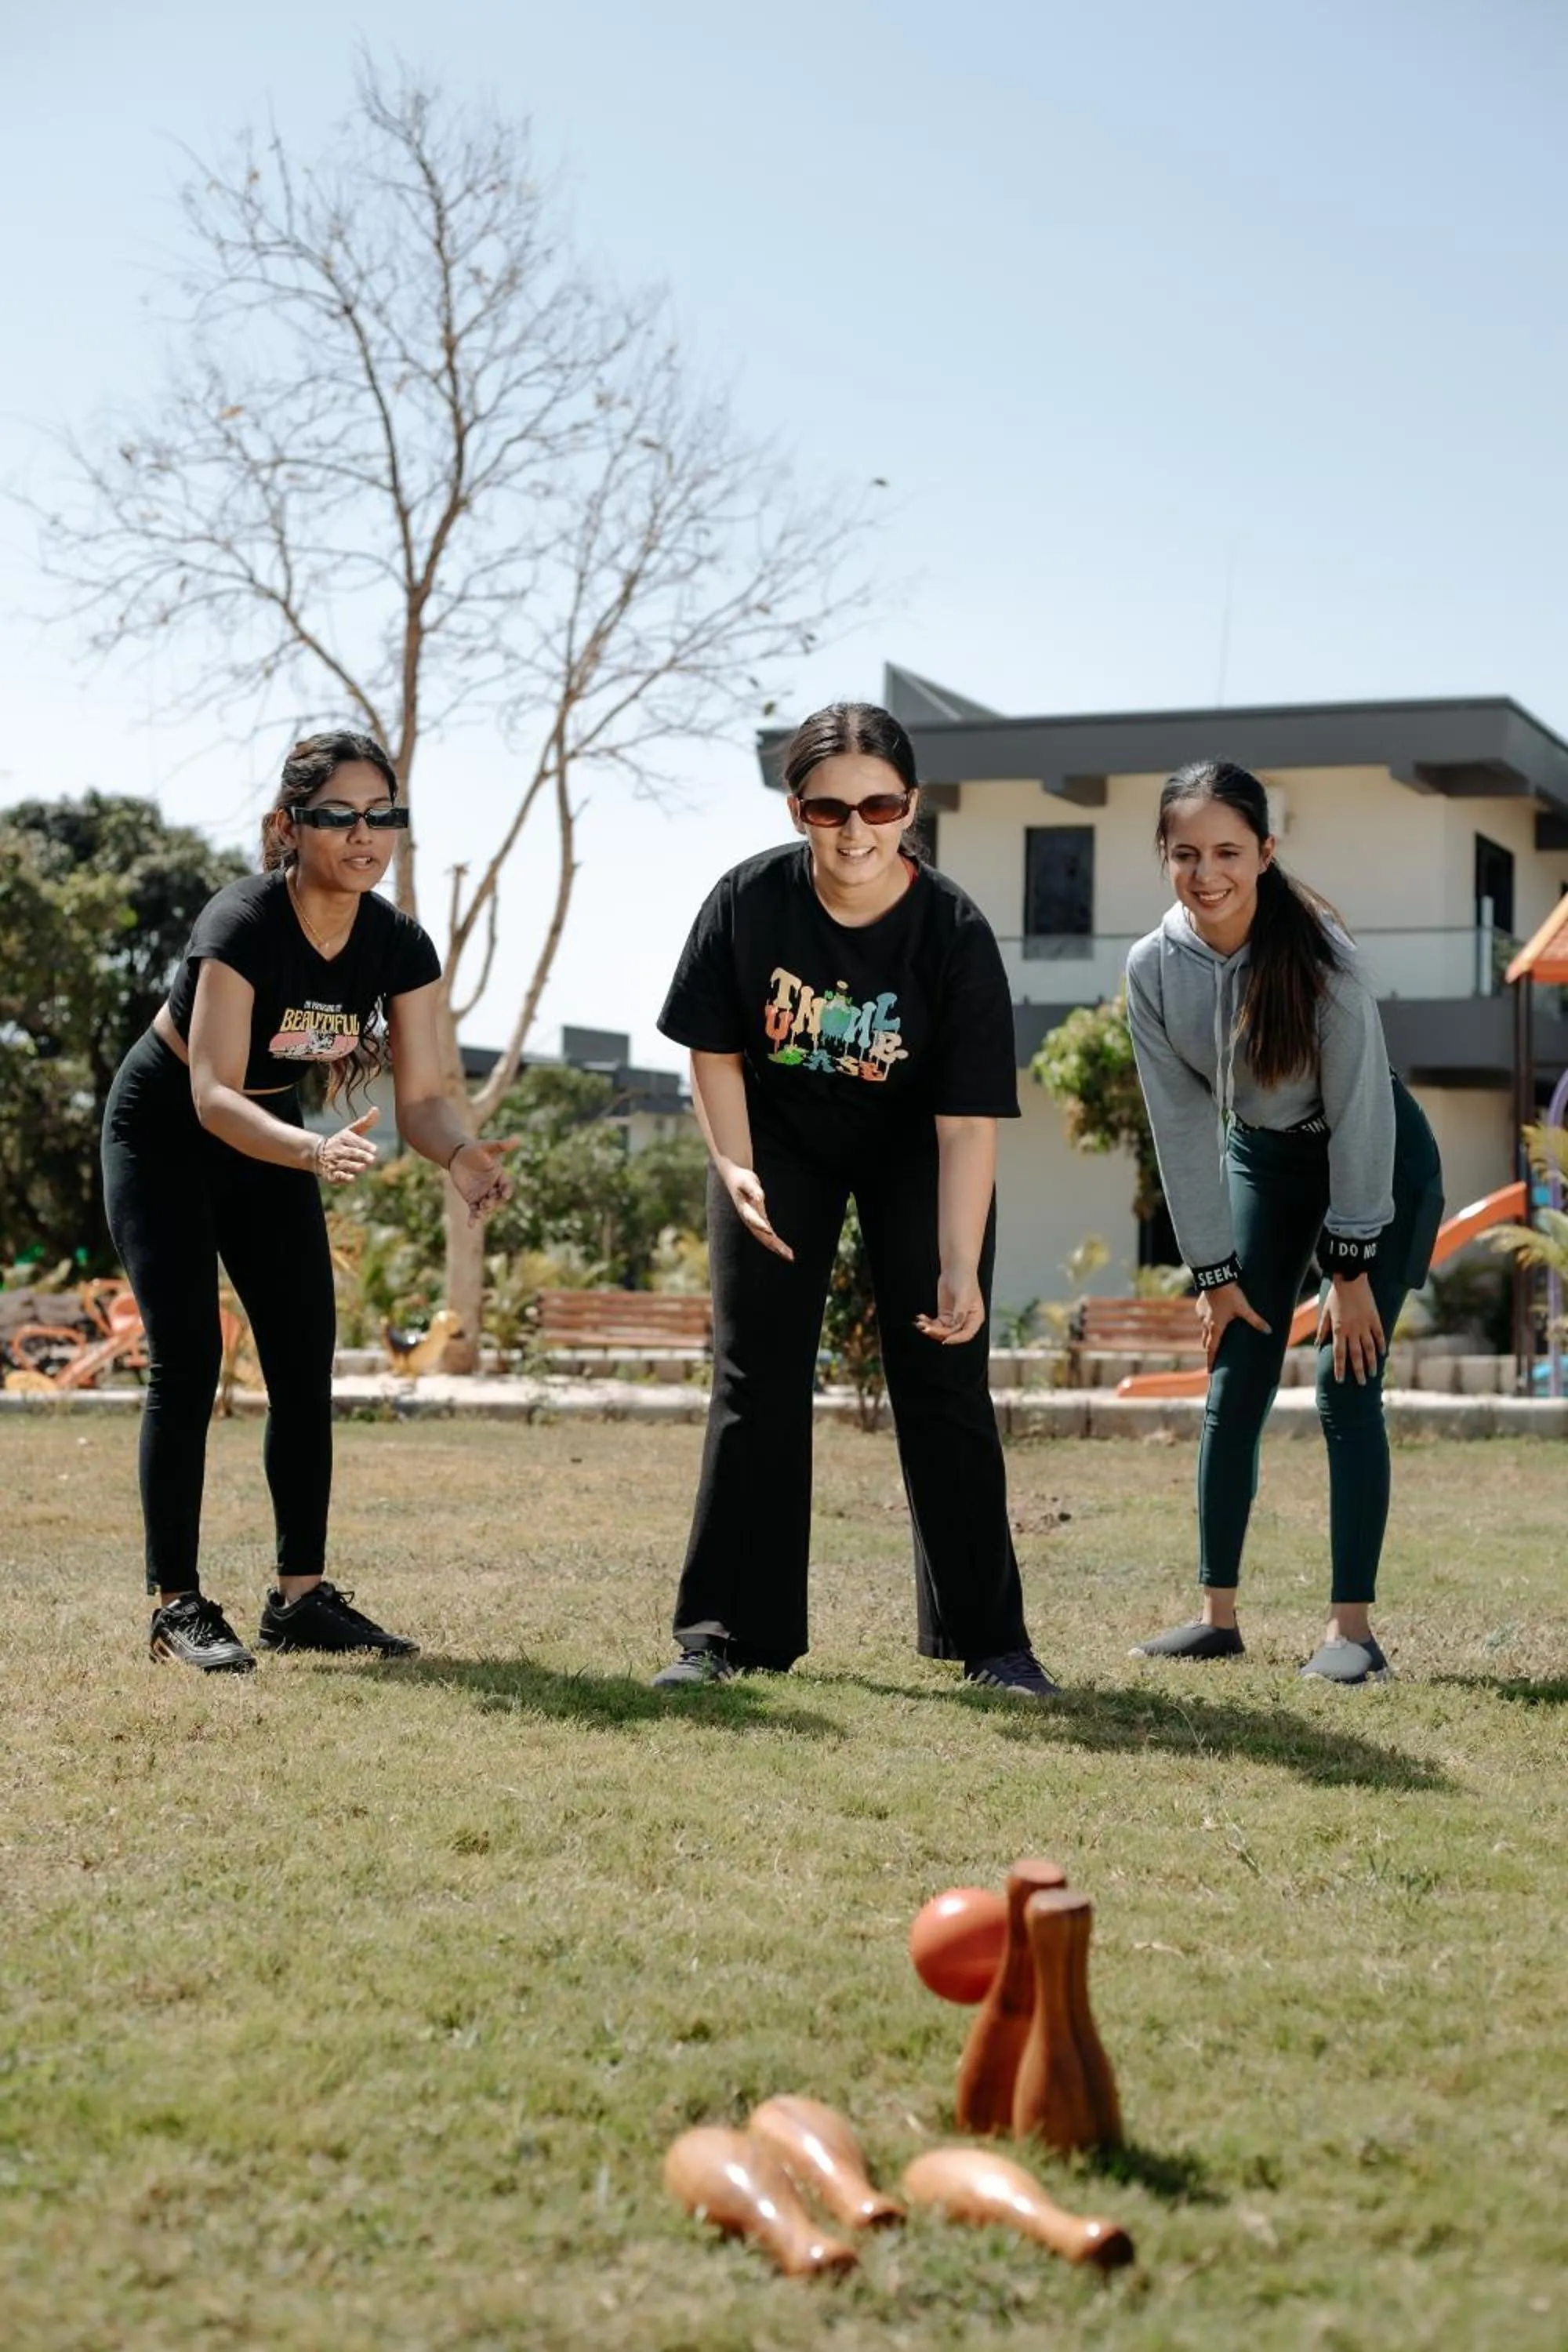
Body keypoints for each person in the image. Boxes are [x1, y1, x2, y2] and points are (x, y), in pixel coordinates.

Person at [649, 700, 1056, 1697]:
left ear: (910, 806)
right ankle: (724, 1636)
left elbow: (967, 1123)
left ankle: (991, 1644)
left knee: (945, 1378)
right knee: (757, 1378)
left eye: (878, 805)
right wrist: (734, 1165)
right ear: (797, 813)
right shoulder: (747, 902)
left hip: (913, 1147)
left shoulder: (952, 930)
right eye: (829, 810)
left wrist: (959, 1264)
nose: (855, 829)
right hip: (777, 1140)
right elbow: (714, 1050)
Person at [102, 731, 512, 1673]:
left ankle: (299, 1600)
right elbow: (209, 1092)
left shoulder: (397, 942)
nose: (365, 835)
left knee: (302, 1353)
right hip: (165, 1131)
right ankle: (176, 1605)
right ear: (289, 827)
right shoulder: (241, 921)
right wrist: (310, 1149)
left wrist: (460, 1155)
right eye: (340, 816)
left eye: (384, 816)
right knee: (189, 1355)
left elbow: (418, 1102)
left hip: (275, 1137)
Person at [1124, 759, 1444, 1684]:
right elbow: (1179, 1126)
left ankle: (1351, 1635)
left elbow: (1360, 1113)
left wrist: (1348, 1269)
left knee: (1345, 1382)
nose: (1206, 871)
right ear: (1164, 857)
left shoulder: (1321, 961)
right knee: (1234, 1372)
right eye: (1185, 853)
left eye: (1227, 850)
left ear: (1264, 853)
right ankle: (1215, 1618)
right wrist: (1212, 1272)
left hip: (1372, 1159)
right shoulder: (1152, 969)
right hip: (1261, 1158)